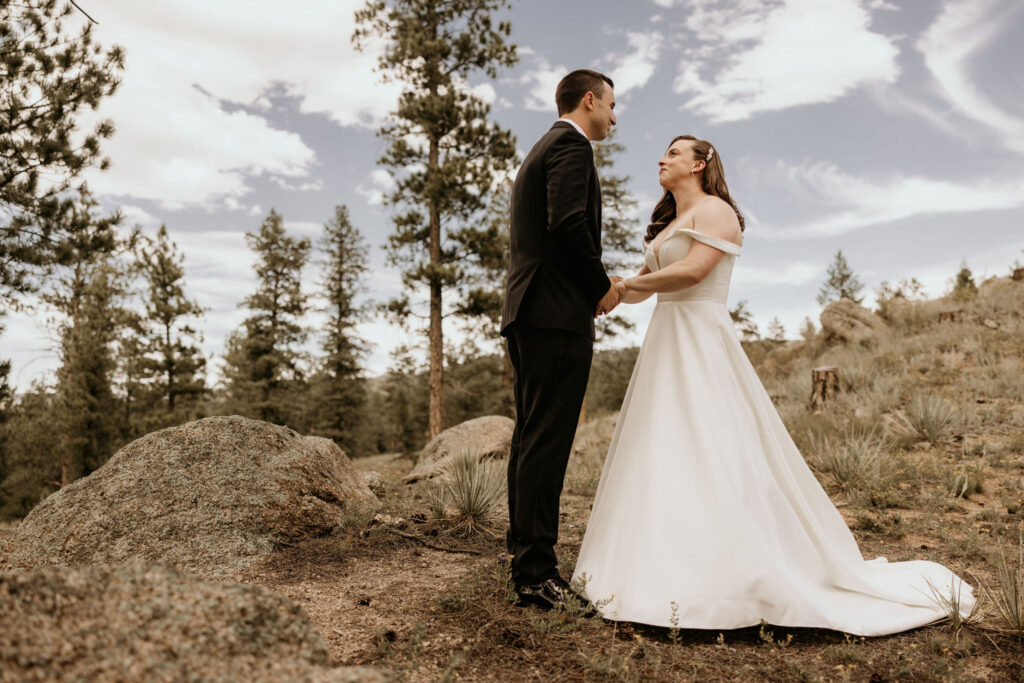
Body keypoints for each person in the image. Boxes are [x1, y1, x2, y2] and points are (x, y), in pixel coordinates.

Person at [570, 135, 976, 636]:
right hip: (665, 342)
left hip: (701, 339)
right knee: (664, 445)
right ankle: (654, 566)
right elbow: (638, 288)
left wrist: (628, 286)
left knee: (715, 443)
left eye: (673, 153)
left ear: (699, 164)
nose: (661, 159)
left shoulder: (717, 211)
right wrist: (602, 292)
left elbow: (694, 272)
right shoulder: (670, 222)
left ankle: (734, 573)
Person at [500, 69, 621, 609]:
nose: (614, 117)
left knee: (530, 435)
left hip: (528, 310)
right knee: (546, 440)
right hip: (554, 315)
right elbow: (569, 223)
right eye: (612, 106)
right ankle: (535, 574)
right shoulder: (571, 147)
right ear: (589, 100)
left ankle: (523, 554)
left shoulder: (540, 148)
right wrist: (602, 288)